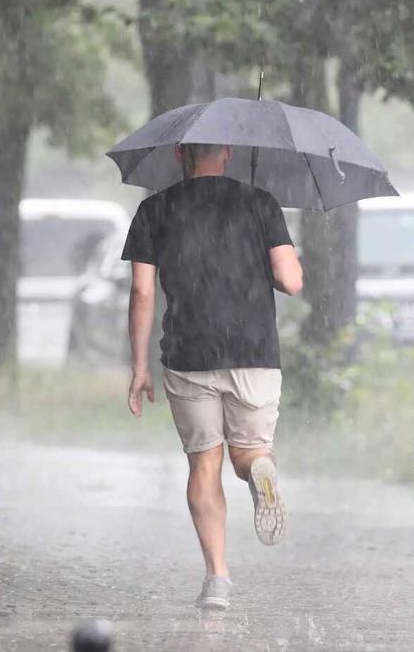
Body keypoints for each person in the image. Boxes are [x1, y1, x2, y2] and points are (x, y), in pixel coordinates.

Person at [122, 142, 303, 610]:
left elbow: (143, 292)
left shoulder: (154, 209)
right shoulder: (260, 202)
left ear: (181, 154)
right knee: (249, 454)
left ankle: (217, 579)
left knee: (205, 462)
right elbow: (292, 281)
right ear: (225, 153)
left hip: (188, 352)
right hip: (254, 351)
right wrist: (264, 253)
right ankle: (258, 471)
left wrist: (140, 367)